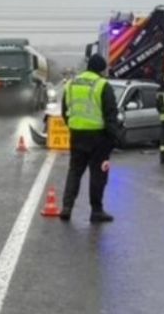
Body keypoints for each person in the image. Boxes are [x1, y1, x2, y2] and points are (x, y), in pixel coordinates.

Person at [59, 55, 119, 223]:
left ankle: (67, 207)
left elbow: (64, 110)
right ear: (101, 69)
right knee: (98, 174)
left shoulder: (71, 83)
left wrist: (73, 125)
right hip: (98, 137)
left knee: (75, 171)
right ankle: (96, 211)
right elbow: (110, 115)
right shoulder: (102, 85)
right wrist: (114, 137)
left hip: (77, 134)